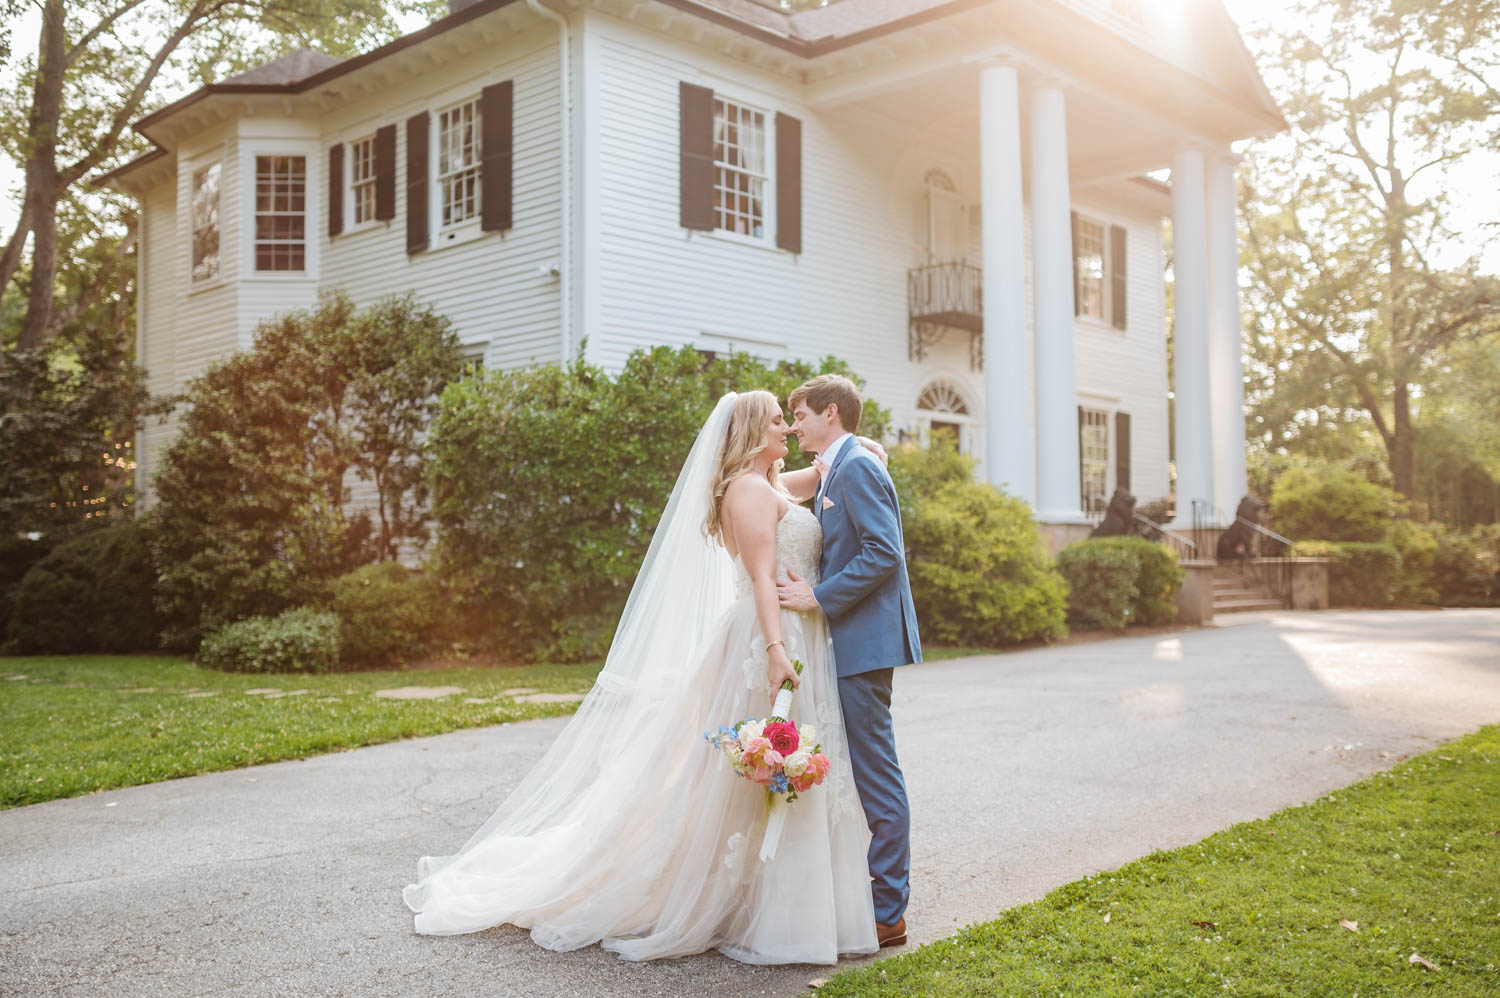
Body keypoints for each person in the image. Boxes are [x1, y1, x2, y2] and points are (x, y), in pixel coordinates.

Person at [402, 391, 884, 964]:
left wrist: (861, 450)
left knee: (762, 775)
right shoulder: (752, 491)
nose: (786, 427)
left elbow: (809, 479)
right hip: (769, 638)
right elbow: (760, 579)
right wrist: (778, 650)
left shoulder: (766, 484)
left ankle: (778, 899)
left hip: (794, 632)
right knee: (756, 772)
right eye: (779, 421)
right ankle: (751, 905)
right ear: (755, 432)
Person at [777, 374, 922, 949]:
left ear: (829, 413)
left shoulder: (857, 466)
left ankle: (888, 911)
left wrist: (819, 596)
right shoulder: (839, 464)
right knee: (864, 766)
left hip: (864, 641)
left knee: (875, 772)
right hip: (849, 640)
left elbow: (884, 552)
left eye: (801, 415)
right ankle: (873, 898)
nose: (794, 425)